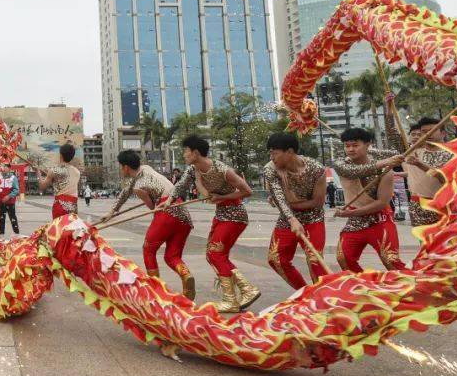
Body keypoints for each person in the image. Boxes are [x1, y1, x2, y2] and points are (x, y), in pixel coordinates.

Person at [172, 135, 259, 312]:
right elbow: (183, 187)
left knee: (215, 254)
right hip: (221, 214)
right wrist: (169, 201)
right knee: (213, 255)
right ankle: (246, 289)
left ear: (195, 153)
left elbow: (247, 191)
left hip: (235, 215)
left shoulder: (222, 169)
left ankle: (232, 299)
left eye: (186, 151)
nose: (184, 155)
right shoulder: (193, 169)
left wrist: (223, 197)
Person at [104, 150, 195, 299]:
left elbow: (152, 207)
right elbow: (125, 192)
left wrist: (113, 211)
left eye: (121, 166)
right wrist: (112, 212)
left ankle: (155, 290)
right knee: (172, 256)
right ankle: (187, 278)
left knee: (148, 250)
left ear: (126, 167)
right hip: (183, 214)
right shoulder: (146, 168)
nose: (121, 170)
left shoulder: (139, 186)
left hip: (166, 212)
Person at [332, 127, 405, 272]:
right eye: (347, 146)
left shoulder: (385, 171)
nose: (351, 149)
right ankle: (364, 287)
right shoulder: (342, 164)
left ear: (367, 144)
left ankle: (413, 288)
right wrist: (384, 161)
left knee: (391, 260)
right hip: (355, 222)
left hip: (380, 220)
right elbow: (353, 172)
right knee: (343, 258)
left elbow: (381, 203)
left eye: (355, 145)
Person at [262, 132, 328, 290]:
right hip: (287, 219)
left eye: (275, 153)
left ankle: (323, 297)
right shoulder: (270, 169)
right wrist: (291, 217)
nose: (272, 157)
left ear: (290, 152)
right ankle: (304, 293)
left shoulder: (316, 169)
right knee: (276, 260)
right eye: (270, 153)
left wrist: (288, 204)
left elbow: (318, 202)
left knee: (315, 260)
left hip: (313, 218)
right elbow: (278, 196)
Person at [403, 117, 453, 227]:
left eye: (432, 131)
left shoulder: (450, 154)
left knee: (444, 242)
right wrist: (388, 110)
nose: (428, 134)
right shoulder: (413, 152)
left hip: (442, 205)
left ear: (443, 133)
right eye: (424, 132)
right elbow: (393, 138)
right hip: (417, 205)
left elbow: (444, 179)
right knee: (424, 242)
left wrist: (420, 165)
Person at [37, 143, 81, 218]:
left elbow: (42, 186)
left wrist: (38, 173)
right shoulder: (77, 172)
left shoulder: (54, 170)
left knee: (59, 228)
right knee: (70, 228)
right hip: (73, 207)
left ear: (60, 155)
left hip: (60, 206)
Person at [0, 163, 20, 236]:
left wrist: (9, 196)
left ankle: (16, 234)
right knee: (1, 218)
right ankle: (1, 234)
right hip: (1, 202)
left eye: (5, 167)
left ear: (9, 168)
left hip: (10, 202)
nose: (3, 168)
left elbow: (16, 190)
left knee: (12, 217)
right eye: (2, 166)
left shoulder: (13, 178)